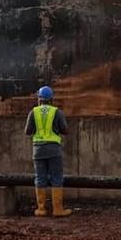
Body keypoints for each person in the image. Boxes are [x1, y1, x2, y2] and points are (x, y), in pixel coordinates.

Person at [25, 86, 72, 217]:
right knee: (56, 177)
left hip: (38, 150)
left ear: (39, 99)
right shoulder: (57, 112)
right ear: (51, 100)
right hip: (53, 150)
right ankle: (58, 209)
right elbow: (65, 130)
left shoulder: (33, 112)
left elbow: (27, 131)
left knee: (40, 178)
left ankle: (41, 209)